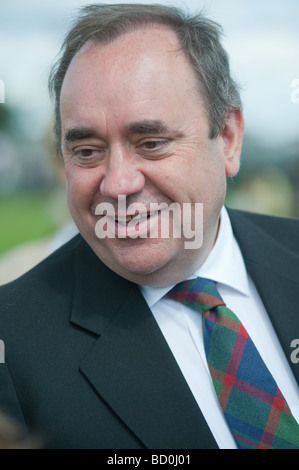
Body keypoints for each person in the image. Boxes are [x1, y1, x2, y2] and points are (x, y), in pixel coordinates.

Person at [0, 3, 298, 450]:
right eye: (86, 151)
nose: (119, 183)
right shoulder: (13, 347)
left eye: (151, 143)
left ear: (229, 139)